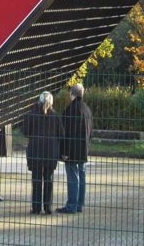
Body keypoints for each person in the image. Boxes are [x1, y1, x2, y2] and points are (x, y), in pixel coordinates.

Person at [22, 91, 64, 214]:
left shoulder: (32, 115)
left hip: (35, 150)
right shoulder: (56, 116)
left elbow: (25, 132)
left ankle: (36, 208)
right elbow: (61, 134)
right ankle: (47, 207)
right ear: (51, 102)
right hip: (50, 152)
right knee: (48, 179)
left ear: (39, 101)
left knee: (36, 179)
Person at [56, 82, 93, 214]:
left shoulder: (70, 110)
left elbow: (67, 133)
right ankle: (79, 204)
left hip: (72, 150)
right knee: (81, 176)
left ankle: (71, 205)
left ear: (72, 94)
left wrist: (64, 151)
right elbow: (90, 131)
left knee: (73, 177)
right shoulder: (87, 109)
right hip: (83, 148)